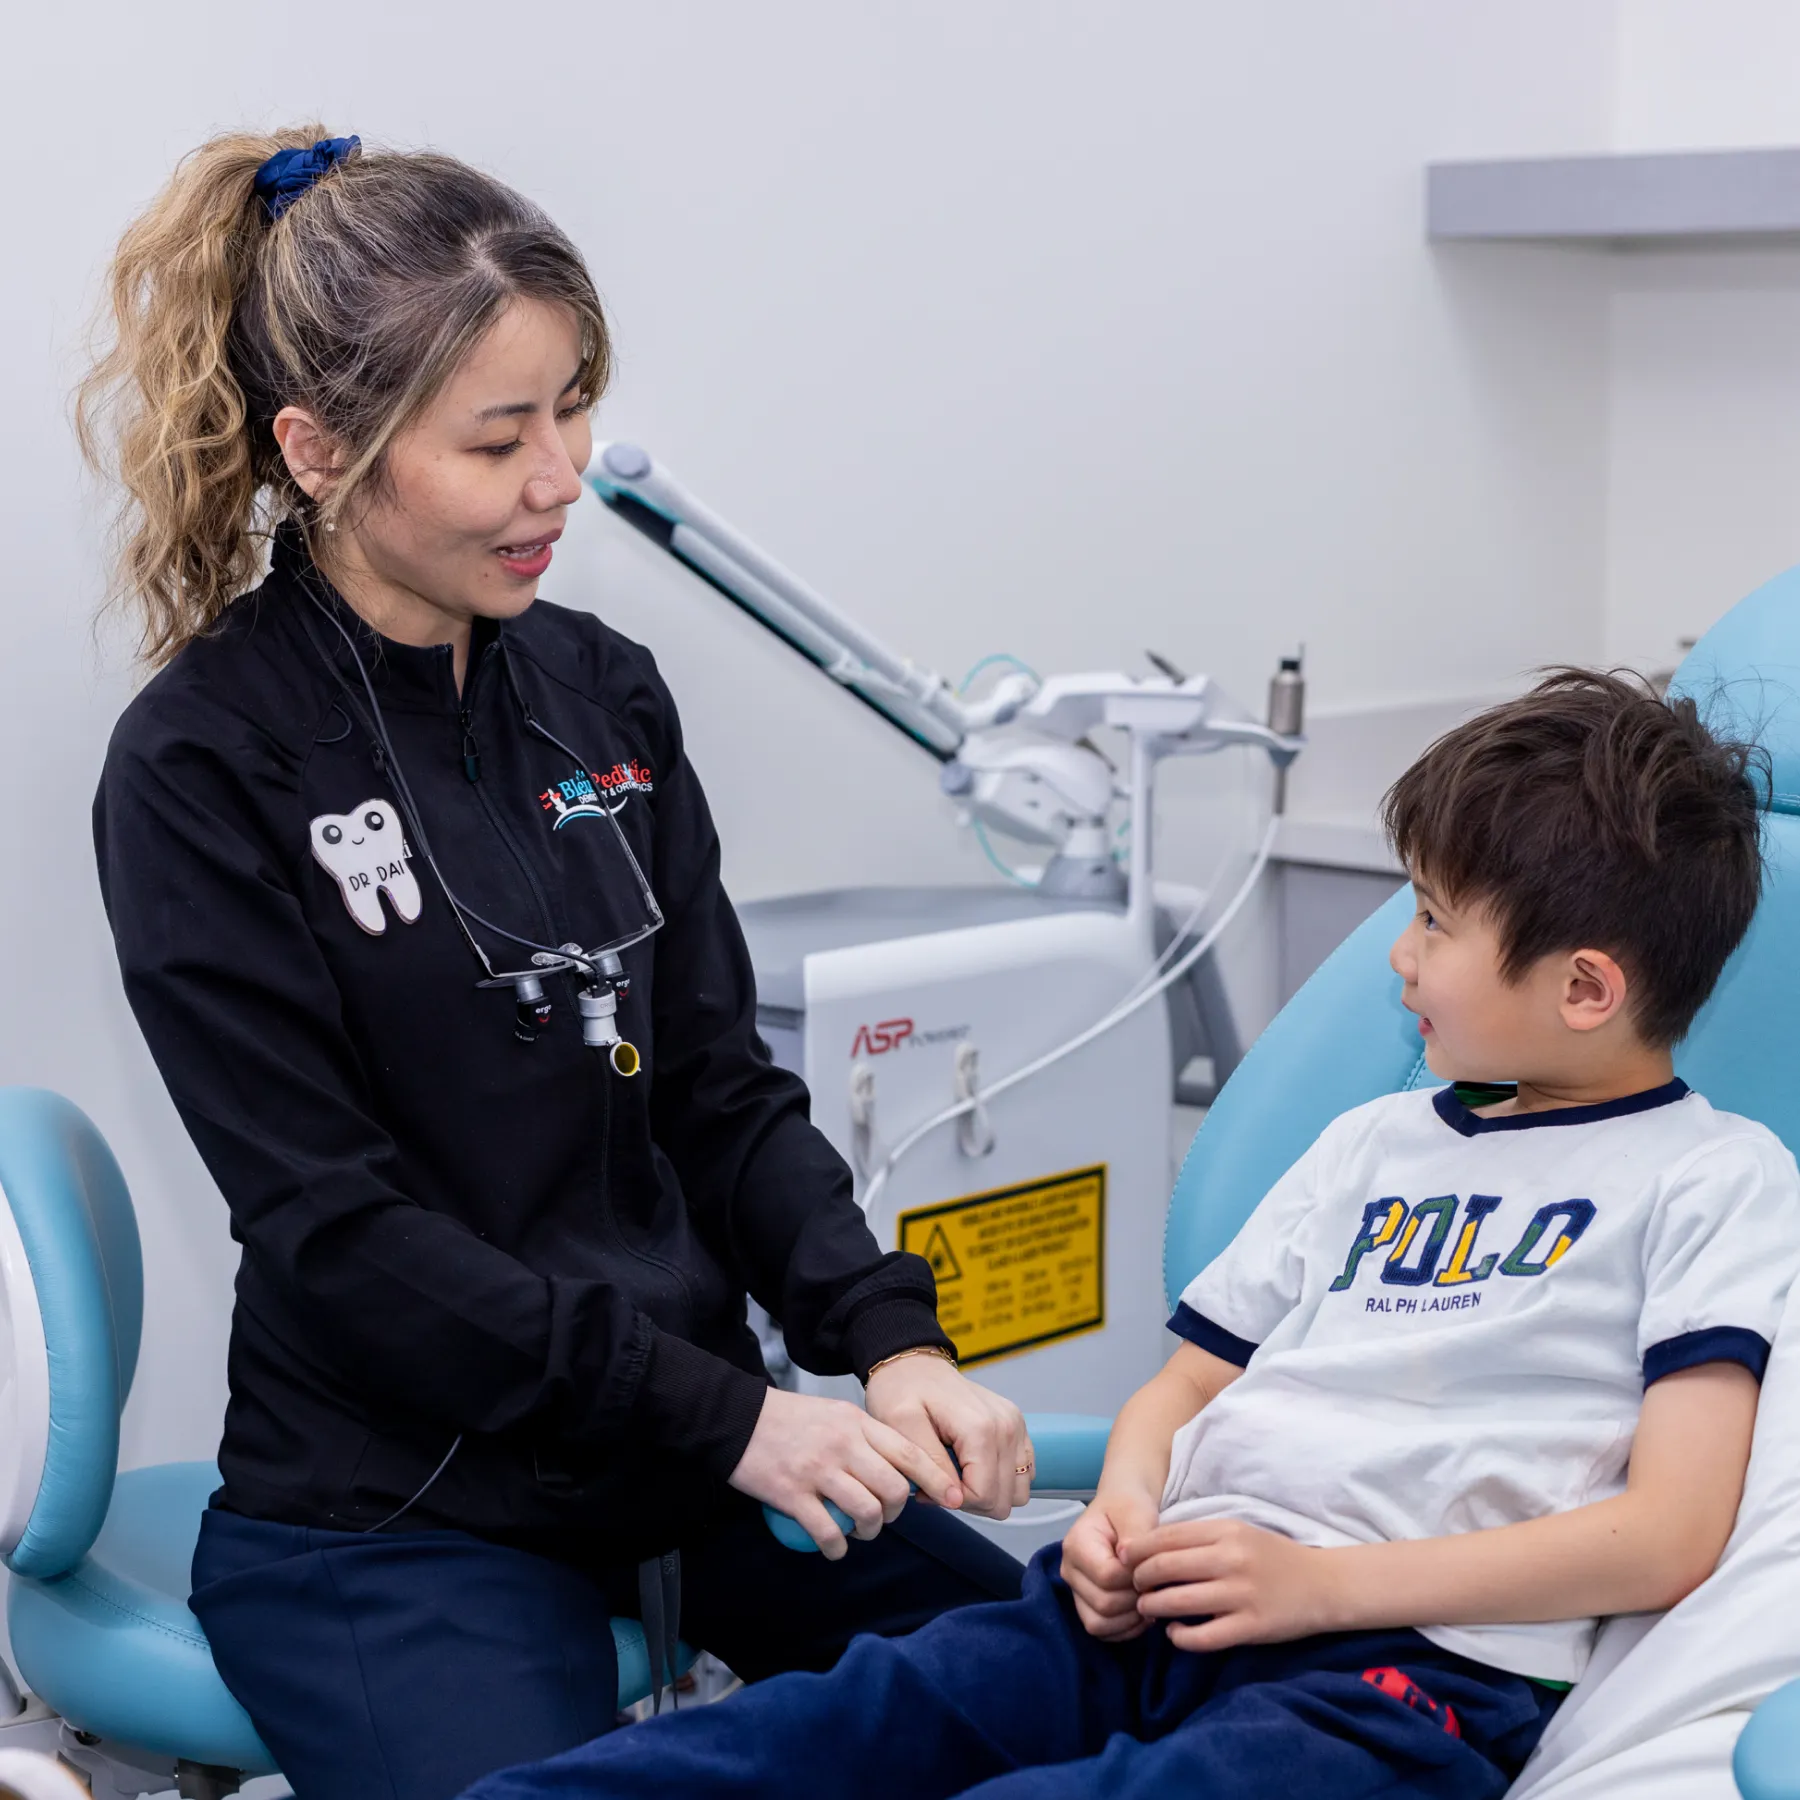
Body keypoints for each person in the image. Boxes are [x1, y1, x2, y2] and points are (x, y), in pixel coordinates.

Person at [82, 128, 1029, 1800]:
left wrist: (891, 1343)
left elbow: (724, 1096)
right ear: (318, 450)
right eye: (499, 437)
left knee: (1079, 1694)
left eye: (572, 408)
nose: (560, 479)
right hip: (396, 1516)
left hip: (682, 1455)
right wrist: (738, 1419)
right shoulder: (208, 767)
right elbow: (344, 1238)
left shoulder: (605, 697)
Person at [460, 669, 1799, 1800]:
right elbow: (1184, 1385)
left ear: (1584, 988)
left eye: (1436, 921)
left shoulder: (1708, 1183)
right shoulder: (1373, 1147)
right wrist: (1122, 1509)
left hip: (1395, 1680)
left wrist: (1320, 1589)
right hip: (1143, 1608)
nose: (1401, 955)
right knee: (803, 1737)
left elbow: (1670, 1531)